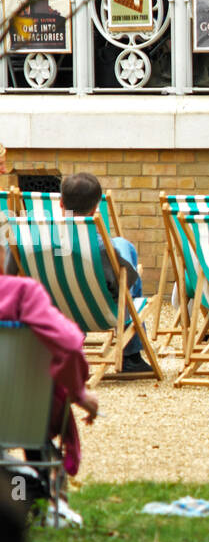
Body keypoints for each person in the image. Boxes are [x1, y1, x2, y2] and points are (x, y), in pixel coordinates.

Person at [0, 274, 100, 523]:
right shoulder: (22, 292)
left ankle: (18, 484)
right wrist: (79, 393)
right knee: (33, 429)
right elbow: (68, 345)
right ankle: (53, 505)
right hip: (24, 416)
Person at [58, 172, 151, 374]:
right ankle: (131, 356)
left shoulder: (35, 241)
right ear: (95, 209)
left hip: (57, 312)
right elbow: (122, 286)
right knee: (123, 250)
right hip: (102, 313)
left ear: (60, 203)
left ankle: (66, 349)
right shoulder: (101, 248)